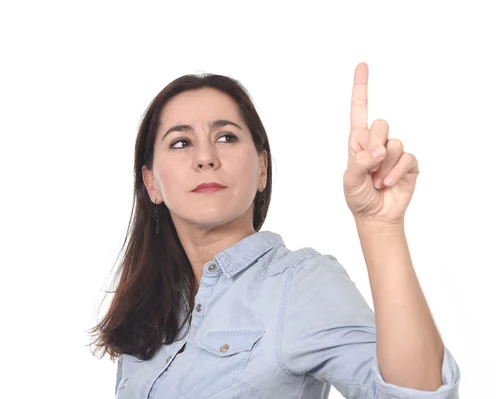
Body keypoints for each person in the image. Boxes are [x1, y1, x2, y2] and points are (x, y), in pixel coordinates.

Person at [88, 63, 461, 398]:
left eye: (226, 137)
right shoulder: (153, 305)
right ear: (151, 183)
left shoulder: (299, 285)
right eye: (181, 142)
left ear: (262, 168)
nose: (205, 157)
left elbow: (417, 395)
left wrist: (381, 227)